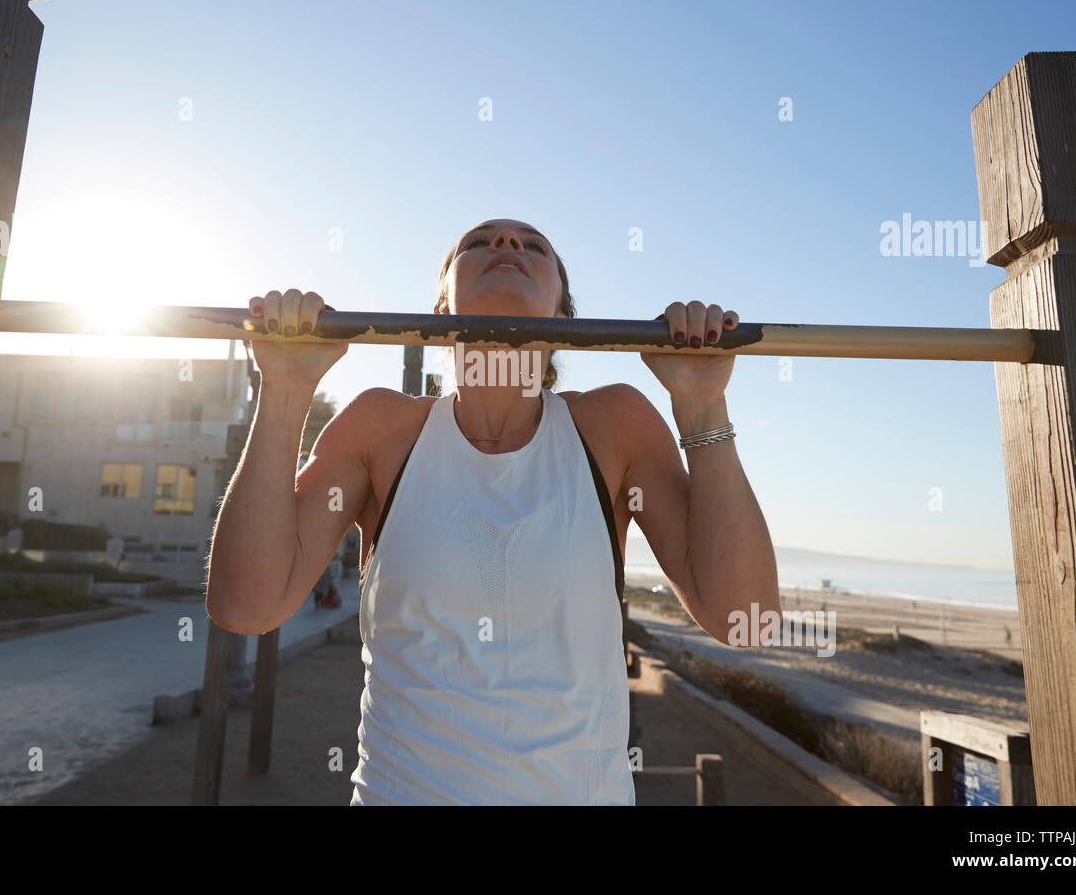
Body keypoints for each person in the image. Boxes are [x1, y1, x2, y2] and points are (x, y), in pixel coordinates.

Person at [206, 218, 779, 804]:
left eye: (534, 246)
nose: (507, 244)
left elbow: (746, 617)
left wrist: (703, 406)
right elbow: (246, 606)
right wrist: (284, 390)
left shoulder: (615, 428)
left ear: (563, 318)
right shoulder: (379, 429)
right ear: (440, 309)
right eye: (479, 243)